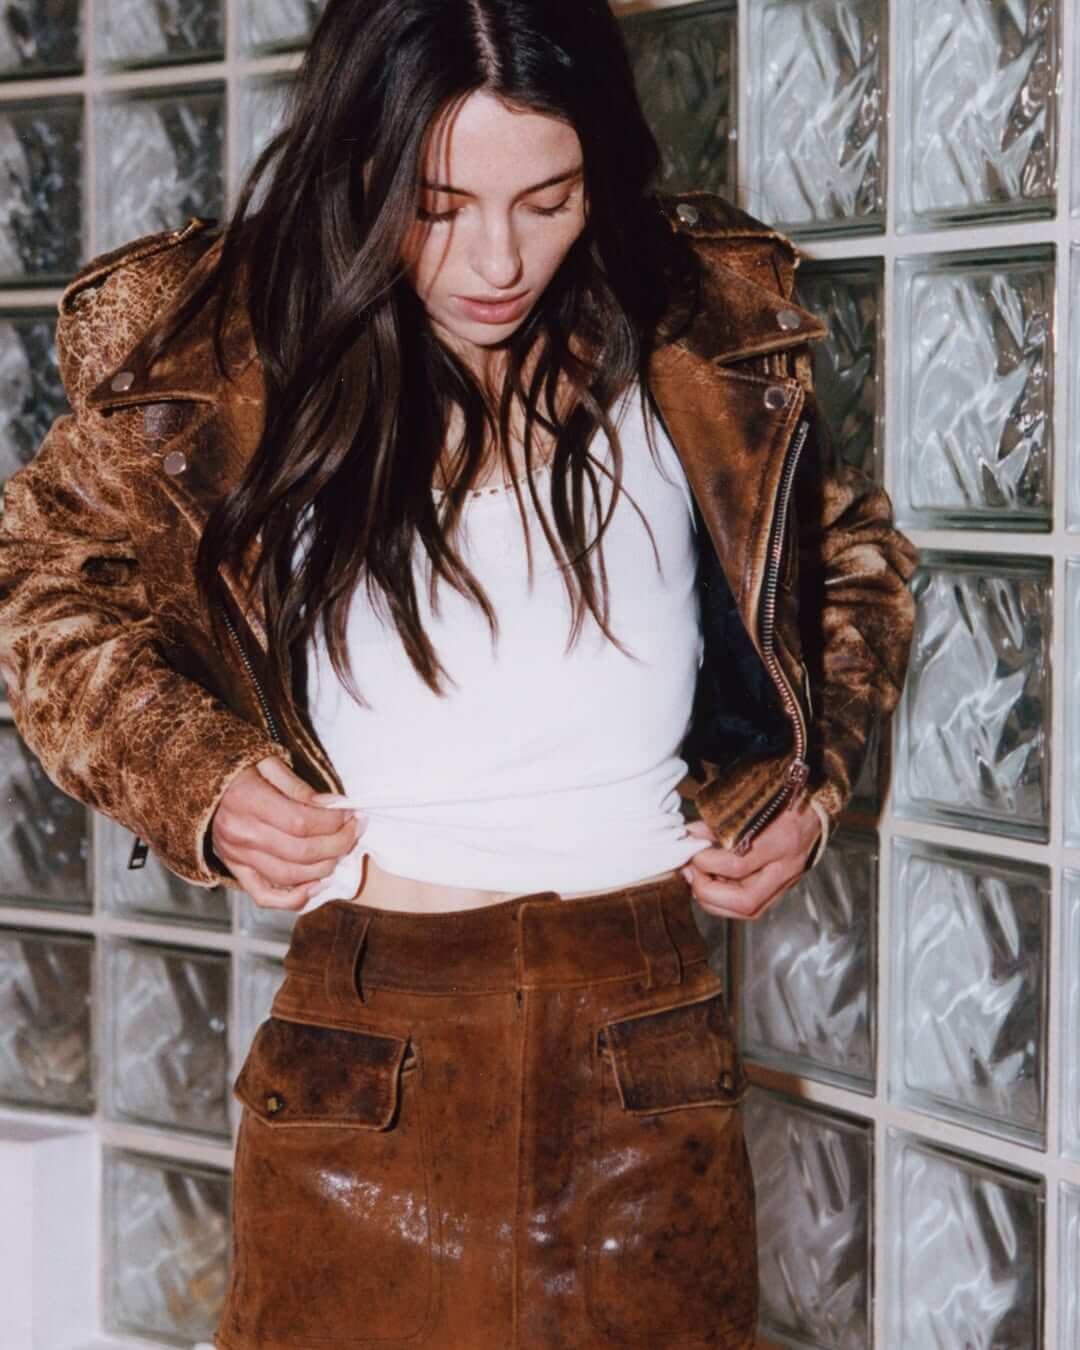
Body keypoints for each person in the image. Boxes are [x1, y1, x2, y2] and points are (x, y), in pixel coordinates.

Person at [0, 1, 917, 1346]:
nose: (498, 259)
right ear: (359, 168)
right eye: (436, 207)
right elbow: (38, 579)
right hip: (364, 1061)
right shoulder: (230, 350)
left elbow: (847, 562)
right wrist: (197, 777)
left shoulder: (698, 326)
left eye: (548, 200)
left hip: (646, 1046)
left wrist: (809, 784)